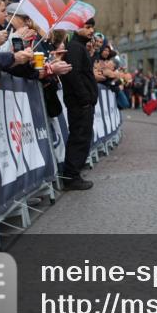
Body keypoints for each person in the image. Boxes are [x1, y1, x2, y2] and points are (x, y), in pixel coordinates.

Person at [60, 17, 98, 190]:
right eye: (87, 27)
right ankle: (71, 176)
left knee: (82, 137)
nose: (91, 31)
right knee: (79, 137)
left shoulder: (79, 46)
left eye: (92, 27)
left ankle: (73, 174)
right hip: (79, 103)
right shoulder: (75, 47)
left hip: (81, 102)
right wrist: (84, 99)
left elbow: (84, 72)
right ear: (76, 28)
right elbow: (73, 74)